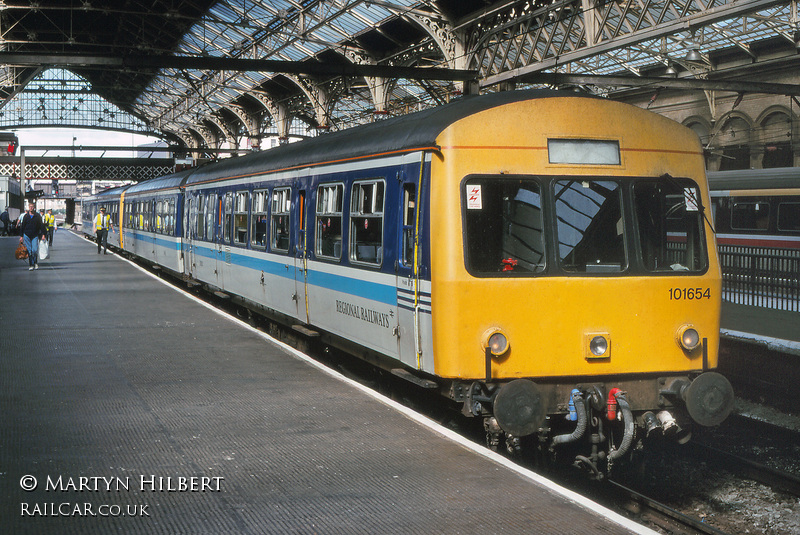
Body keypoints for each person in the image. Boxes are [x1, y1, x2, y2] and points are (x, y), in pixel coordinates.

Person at [19, 202, 46, 270]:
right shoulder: (26, 216)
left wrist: (43, 234)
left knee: (34, 250)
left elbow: (41, 225)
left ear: (34, 207)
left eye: (32, 207)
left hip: (34, 235)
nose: (31, 208)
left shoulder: (37, 216)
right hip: (27, 235)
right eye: (30, 206)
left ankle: (35, 262)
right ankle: (31, 265)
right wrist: (21, 236)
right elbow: (22, 226)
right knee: (29, 250)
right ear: (28, 207)